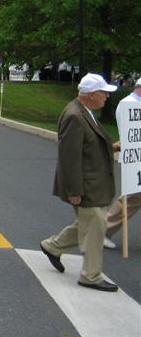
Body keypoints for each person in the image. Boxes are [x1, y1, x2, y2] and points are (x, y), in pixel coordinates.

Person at [39, 73, 120, 291]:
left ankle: (52, 247)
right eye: (103, 93)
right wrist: (74, 190)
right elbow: (69, 157)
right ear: (91, 95)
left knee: (92, 222)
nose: (106, 97)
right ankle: (90, 275)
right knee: (95, 227)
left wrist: (113, 147)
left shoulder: (85, 112)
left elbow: (88, 146)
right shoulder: (74, 116)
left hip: (93, 184)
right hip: (85, 185)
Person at [103, 76, 141, 249]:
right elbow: (130, 134)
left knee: (132, 197)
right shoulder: (128, 104)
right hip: (135, 158)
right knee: (131, 197)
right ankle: (102, 232)